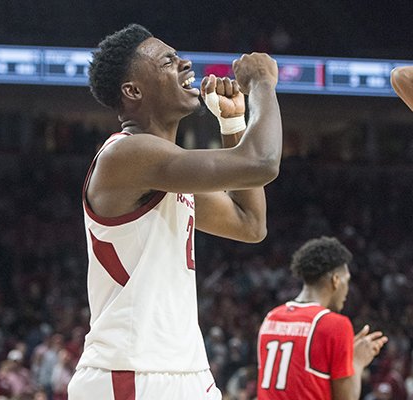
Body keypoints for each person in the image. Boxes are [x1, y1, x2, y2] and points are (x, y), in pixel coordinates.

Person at [67, 24, 283, 400]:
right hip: (131, 372)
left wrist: (233, 123)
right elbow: (262, 161)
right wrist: (262, 83)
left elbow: (251, 225)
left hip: (187, 371)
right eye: (168, 61)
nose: (184, 62)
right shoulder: (127, 154)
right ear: (133, 90)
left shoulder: (168, 172)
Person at [257, 236, 388, 399]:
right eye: (347, 281)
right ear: (336, 281)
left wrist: (345, 357)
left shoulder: (272, 317)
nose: (348, 290)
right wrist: (357, 362)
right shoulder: (335, 325)